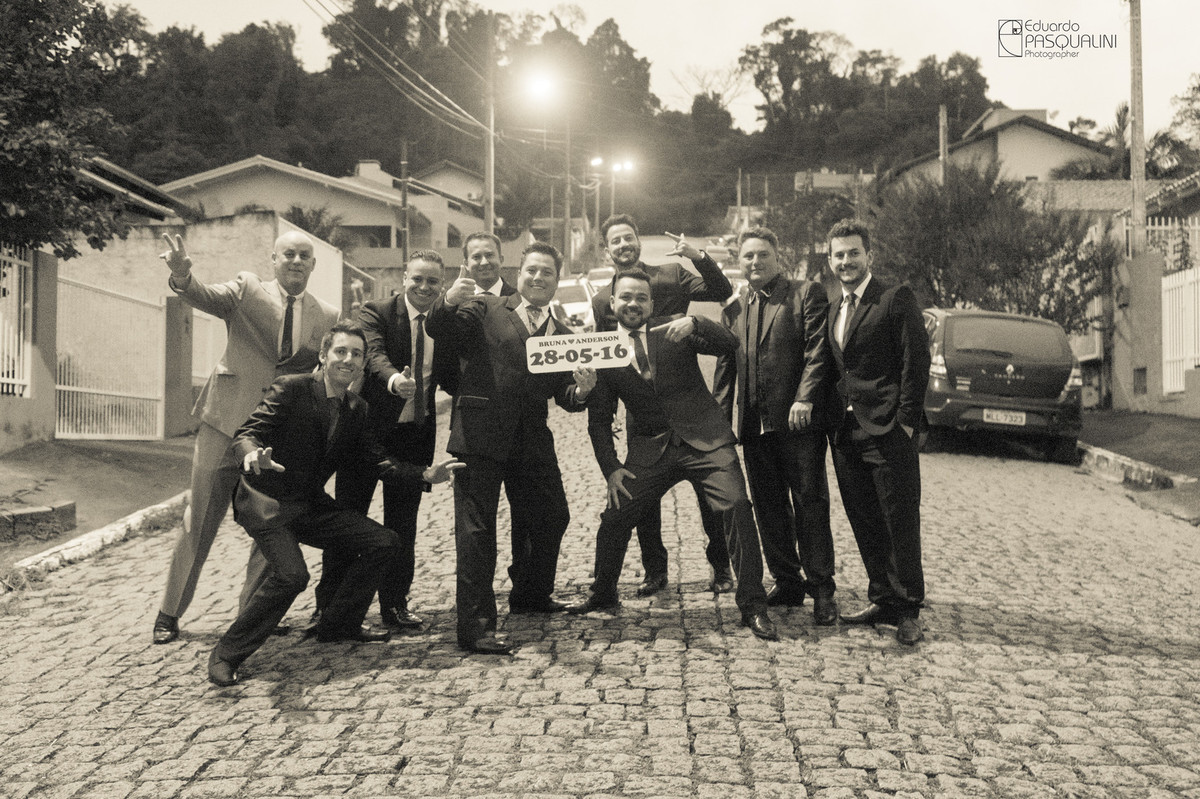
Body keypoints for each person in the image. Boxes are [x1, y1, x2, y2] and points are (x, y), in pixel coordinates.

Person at [206, 321, 463, 686]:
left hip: (309, 504)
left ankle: (338, 624)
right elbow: (249, 432)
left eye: (356, 354)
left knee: (384, 542)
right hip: (268, 502)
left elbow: (376, 461)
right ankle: (227, 654)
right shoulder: (292, 388)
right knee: (292, 575)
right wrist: (251, 455)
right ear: (324, 355)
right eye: (340, 351)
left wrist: (424, 474)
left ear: (362, 363)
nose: (348, 359)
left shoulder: (357, 408)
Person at [567, 270, 778, 642]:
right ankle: (602, 593)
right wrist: (612, 469)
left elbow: (729, 342)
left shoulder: (674, 328)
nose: (634, 304)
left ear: (651, 303)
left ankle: (753, 606)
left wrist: (696, 321)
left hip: (706, 439)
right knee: (615, 517)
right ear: (612, 304)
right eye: (626, 298)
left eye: (642, 298)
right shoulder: (598, 349)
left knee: (737, 507)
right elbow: (600, 422)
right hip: (652, 450)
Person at [152, 230, 340, 645]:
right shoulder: (247, 289)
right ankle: (169, 612)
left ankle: (253, 614)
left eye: (304, 256)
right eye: (287, 253)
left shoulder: (326, 315)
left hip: (274, 437)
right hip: (225, 423)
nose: (295, 260)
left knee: (270, 522)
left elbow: (325, 371)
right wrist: (183, 276)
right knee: (199, 520)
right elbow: (204, 295)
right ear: (273, 259)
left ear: (313, 265)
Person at [426, 241, 597, 655]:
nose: (538, 278)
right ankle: (476, 628)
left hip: (531, 440)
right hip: (479, 437)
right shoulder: (485, 308)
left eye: (548, 273)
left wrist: (584, 389)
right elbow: (438, 328)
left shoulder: (562, 333)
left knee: (553, 515)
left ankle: (531, 594)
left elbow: (565, 396)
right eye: (532, 271)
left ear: (558, 280)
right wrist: (447, 301)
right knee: (476, 534)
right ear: (518, 274)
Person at [590, 214, 734, 598]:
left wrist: (697, 255)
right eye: (615, 241)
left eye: (628, 238)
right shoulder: (603, 300)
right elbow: (606, 353)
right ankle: (655, 570)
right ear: (607, 251)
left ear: (639, 241)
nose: (623, 245)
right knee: (643, 503)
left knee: (711, 497)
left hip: (686, 400)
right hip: (643, 414)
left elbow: (721, 289)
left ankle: (722, 566)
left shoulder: (671, 274)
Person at [315, 251, 459, 632]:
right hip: (365, 434)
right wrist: (396, 380)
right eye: (418, 279)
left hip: (414, 434)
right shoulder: (376, 311)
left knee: (403, 526)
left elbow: (453, 371)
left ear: (441, 284)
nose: (424, 287)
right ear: (404, 277)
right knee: (348, 519)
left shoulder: (444, 323)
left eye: (433, 281)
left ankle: (394, 605)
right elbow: (374, 354)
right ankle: (329, 606)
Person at [712, 227, 838, 625]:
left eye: (762, 255)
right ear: (739, 260)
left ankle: (822, 590)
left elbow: (818, 351)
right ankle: (787, 580)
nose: (754, 262)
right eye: (747, 256)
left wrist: (805, 398)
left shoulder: (805, 293)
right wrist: (718, 426)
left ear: (776, 256)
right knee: (768, 508)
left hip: (797, 424)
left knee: (809, 504)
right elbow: (725, 369)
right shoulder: (735, 308)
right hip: (753, 427)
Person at [823, 218, 930, 646]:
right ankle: (881, 597)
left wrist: (905, 422)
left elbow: (915, 361)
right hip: (846, 434)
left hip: (887, 430)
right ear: (829, 260)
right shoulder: (835, 308)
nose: (846, 261)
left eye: (853, 253)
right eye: (838, 255)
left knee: (899, 519)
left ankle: (907, 610)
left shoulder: (894, 298)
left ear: (870, 255)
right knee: (863, 517)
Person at [462, 231, 517, 297]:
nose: (484, 263)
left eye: (489, 255)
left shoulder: (519, 301)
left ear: (501, 259)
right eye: (476, 257)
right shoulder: (455, 302)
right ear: (466, 264)